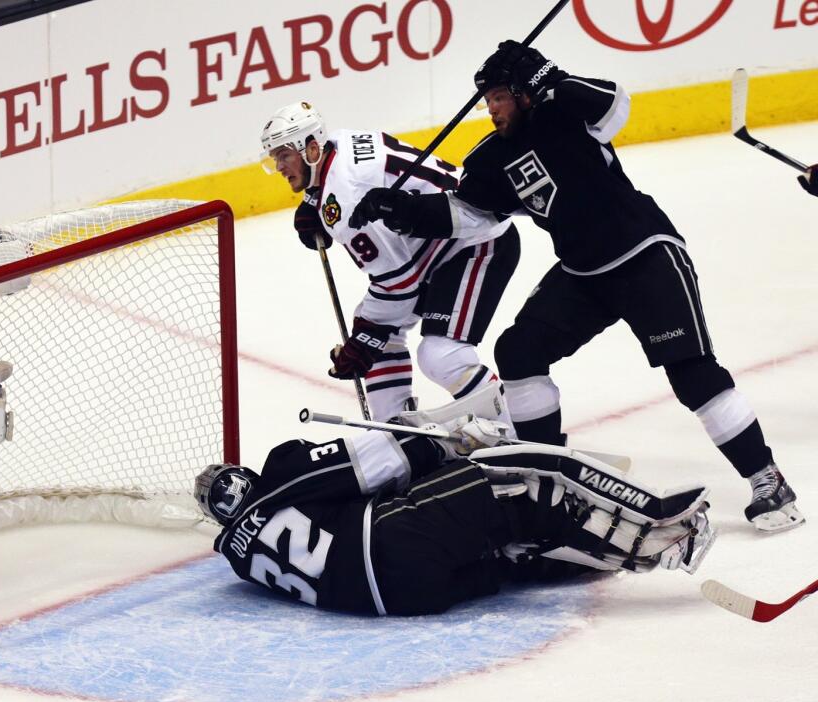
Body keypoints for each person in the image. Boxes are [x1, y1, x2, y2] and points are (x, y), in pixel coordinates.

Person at [348, 41, 803, 533]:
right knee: (519, 352)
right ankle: (545, 473)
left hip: (645, 255)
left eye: (499, 97)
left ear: (524, 92)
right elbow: (470, 215)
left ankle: (767, 480)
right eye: (487, 100)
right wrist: (404, 211)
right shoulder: (493, 156)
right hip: (583, 275)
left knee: (691, 374)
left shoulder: (567, 111)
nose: (491, 109)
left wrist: (551, 75)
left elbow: (615, 104)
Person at [195, 415, 713, 616]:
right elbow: (374, 464)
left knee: (512, 552)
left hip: (402, 600)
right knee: (523, 480)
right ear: (247, 477)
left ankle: (630, 558)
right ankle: (658, 525)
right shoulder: (280, 474)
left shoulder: (241, 560)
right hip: (393, 539)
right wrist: (441, 443)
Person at [260, 101, 521, 421]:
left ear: (312, 148)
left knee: (439, 356)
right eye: (275, 158)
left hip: (478, 240)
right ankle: (396, 433)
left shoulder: (345, 199)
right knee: (374, 333)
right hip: (437, 243)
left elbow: (398, 286)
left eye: (284, 156)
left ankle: (515, 430)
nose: (279, 167)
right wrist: (314, 200)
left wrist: (365, 339)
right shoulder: (339, 142)